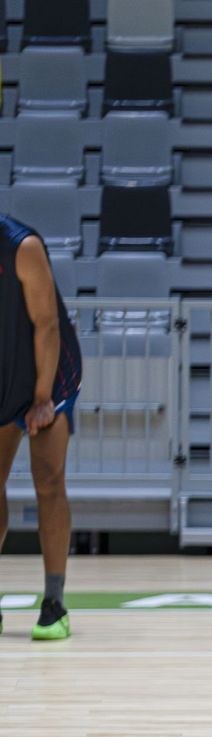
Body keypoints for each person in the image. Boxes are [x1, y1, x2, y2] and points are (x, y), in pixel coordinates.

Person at [0, 214, 83, 641]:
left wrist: (42, 398)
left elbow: (47, 325)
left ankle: (54, 603)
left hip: (47, 371)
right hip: (3, 373)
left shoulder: (21, 245)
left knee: (48, 481)